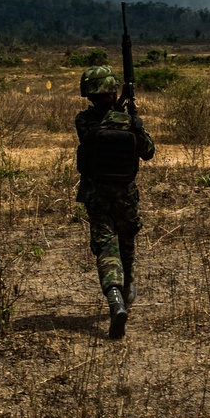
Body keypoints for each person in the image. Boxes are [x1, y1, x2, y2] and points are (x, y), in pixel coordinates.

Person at [75, 65, 155, 339]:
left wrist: (120, 108)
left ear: (88, 93)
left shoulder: (83, 121)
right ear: (112, 91)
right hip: (125, 196)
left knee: (106, 247)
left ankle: (115, 300)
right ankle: (128, 288)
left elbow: (93, 134)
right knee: (126, 244)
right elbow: (148, 152)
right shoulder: (128, 121)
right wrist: (133, 116)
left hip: (96, 196)